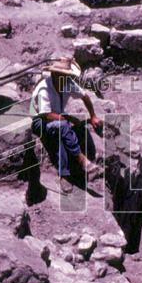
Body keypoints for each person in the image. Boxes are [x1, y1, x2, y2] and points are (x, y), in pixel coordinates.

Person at [29, 58, 102, 195]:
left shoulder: (67, 83)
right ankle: (78, 161)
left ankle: (71, 173)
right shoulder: (44, 88)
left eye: (67, 75)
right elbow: (47, 115)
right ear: (55, 75)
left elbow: (85, 97)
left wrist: (93, 116)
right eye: (63, 75)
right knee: (62, 128)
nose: (66, 78)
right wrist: (66, 119)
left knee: (65, 130)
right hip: (39, 121)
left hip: (57, 116)